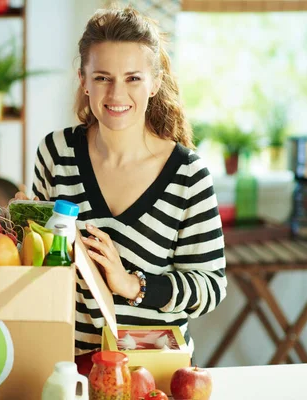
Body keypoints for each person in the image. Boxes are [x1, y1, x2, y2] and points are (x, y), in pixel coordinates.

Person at [15, 5, 226, 374]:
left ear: (154, 83)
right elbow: (45, 269)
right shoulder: (56, 152)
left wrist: (132, 284)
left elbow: (210, 289)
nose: (116, 93)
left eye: (132, 78)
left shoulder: (188, 175)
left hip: (152, 373)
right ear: (83, 79)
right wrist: (23, 229)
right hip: (68, 365)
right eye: (102, 77)